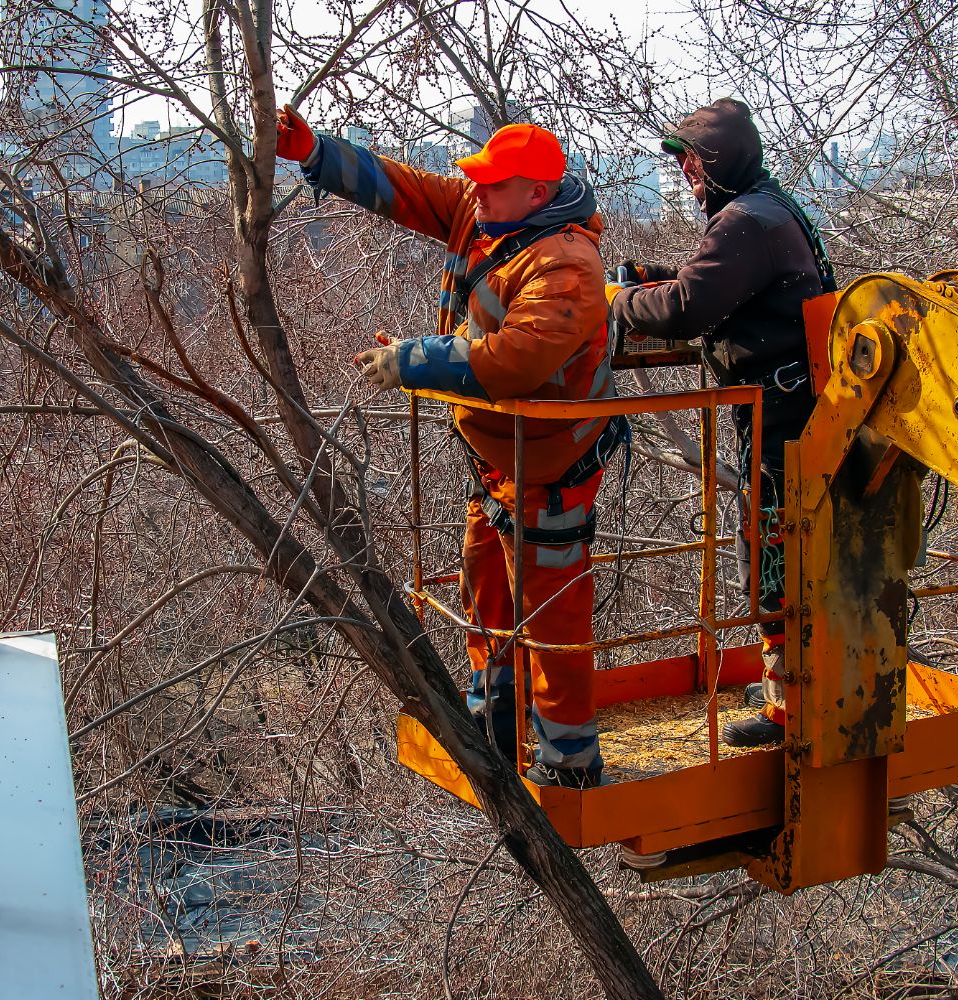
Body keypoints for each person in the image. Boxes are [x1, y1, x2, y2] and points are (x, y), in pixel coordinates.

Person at [277, 108, 620, 788]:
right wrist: (314, 150)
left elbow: (516, 358)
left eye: (495, 184)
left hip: (552, 463)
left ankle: (570, 758)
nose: (478, 191)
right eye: (480, 182)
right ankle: (495, 713)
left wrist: (416, 360)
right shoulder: (488, 214)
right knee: (484, 584)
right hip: (496, 455)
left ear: (539, 195)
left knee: (549, 611)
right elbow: (401, 188)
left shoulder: (568, 264)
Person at [610, 98, 836, 747]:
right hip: (796, 406)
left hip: (781, 415)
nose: (686, 176)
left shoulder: (745, 221)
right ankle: (788, 689)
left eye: (691, 164)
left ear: (716, 161)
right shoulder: (771, 208)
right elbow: (712, 285)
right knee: (781, 552)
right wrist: (656, 278)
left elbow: (687, 308)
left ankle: (789, 710)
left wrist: (621, 301)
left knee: (772, 557)